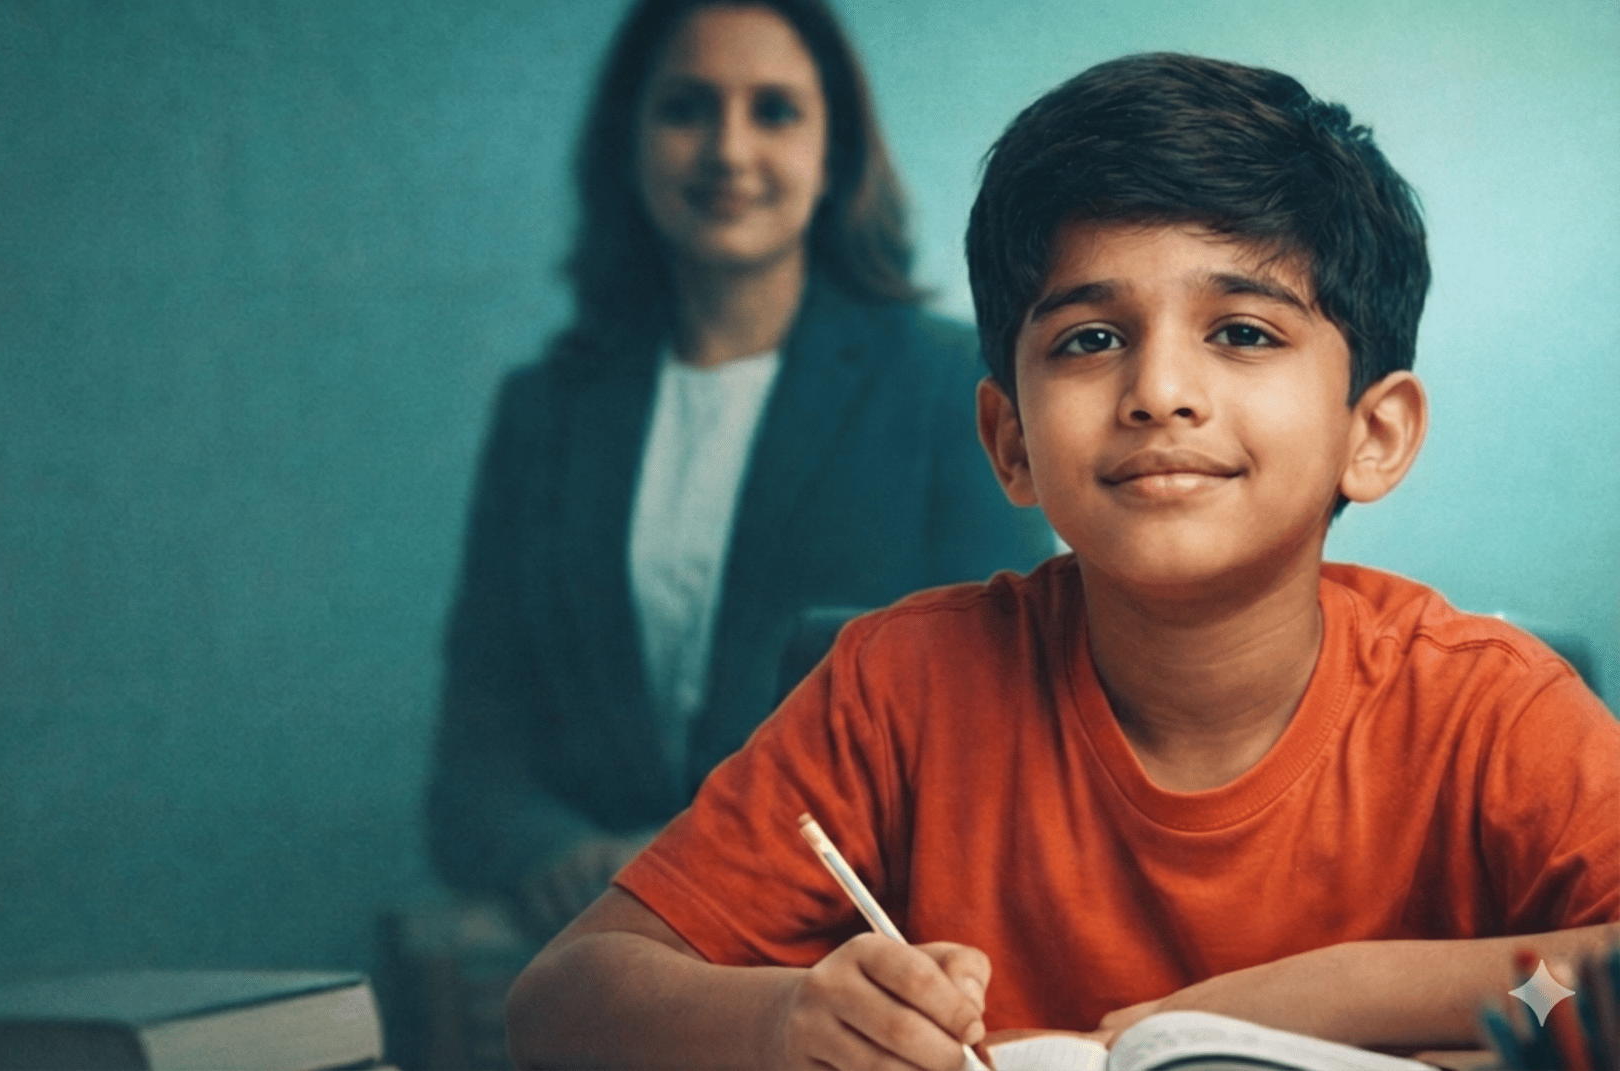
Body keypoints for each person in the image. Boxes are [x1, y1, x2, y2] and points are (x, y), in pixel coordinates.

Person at [505, 52, 1620, 1069]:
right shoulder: (898, 692)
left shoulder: (1490, 707)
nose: (1158, 392)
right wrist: (787, 1021)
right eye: (1090, 339)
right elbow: (559, 1002)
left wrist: (1310, 1000)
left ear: (1371, 436)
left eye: (1242, 331)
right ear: (1010, 443)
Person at [426, 0, 1050, 943]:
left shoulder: (948, 388)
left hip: (857, 942)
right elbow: (476, 746)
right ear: (628, 141)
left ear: (836, 149)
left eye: (775, 110)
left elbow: (1006, 721)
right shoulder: (546, 411)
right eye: (686, 108)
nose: (728, 149)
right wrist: (559, 851)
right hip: (599, 936)